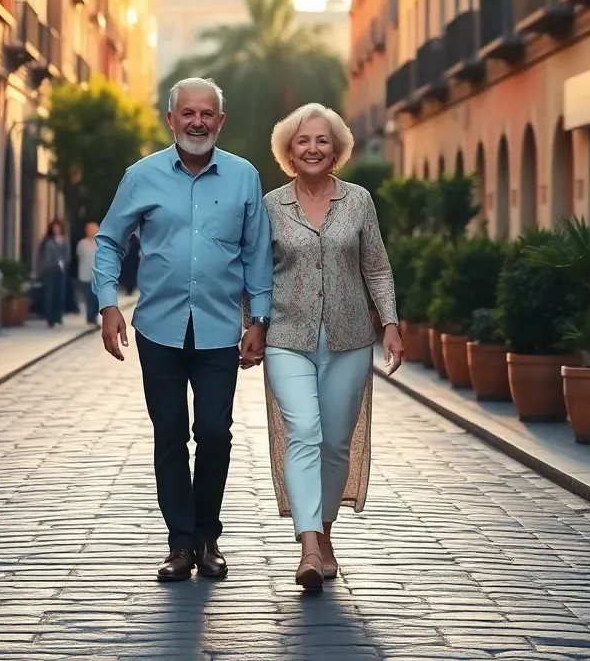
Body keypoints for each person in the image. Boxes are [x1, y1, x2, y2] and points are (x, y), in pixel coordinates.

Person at [93, 77, 273, 583]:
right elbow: (110, 241)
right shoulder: (141, 176)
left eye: (207, 114)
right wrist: (109, 305)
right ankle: (180, 543)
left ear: (220, 121)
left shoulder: (243, 177)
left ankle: (208, 536)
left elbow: (257, 253)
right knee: (170, 433)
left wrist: (258, 319)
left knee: (214, 432)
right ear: (170, 120)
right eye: (187, 113)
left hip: (220, 330)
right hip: (159, 328)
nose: (198, 122)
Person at [259, 104, 402, 590]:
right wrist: (251, 325)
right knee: (303, 430)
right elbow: (253, 274)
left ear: (336, 148)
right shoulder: (271, 205)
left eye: (322, 141)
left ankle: (325, 532)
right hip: (286, 336)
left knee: (336, 441)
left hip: (348, 339)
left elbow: (377, 267)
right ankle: (308, 547)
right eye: (303, 141)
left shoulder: (358, 201)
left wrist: (390, 323)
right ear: (289, 151)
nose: (313, 149)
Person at [38, 219, 69, 327]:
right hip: (49, 270)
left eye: (58, 228)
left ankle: (58, 316)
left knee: (59, 294)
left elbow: (67, 255)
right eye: (55, 228)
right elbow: (44, 256)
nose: (56, 230)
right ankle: (50, 318)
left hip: (61, 270)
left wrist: (63, 263)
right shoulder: (48, 241)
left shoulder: (64, 240)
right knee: (49, 294)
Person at [75, 221, 100, 325]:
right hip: (85, 274)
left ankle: (95, 316)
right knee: (89, 297)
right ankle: (90, 318)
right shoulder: (82, 243)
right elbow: (79, 255)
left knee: (97, 298)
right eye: (90, 230)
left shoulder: (100, 243)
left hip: (98, 275)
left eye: (94, 229)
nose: (91, 232)